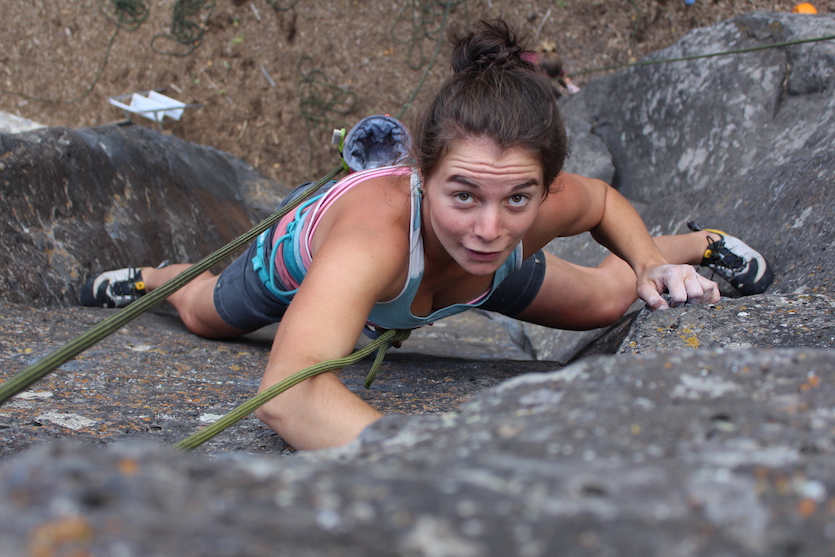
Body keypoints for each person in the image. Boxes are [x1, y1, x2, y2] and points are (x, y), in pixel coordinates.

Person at [81, 20, 773, 451]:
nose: (489, 226)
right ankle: (156, 276)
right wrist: (425, 462)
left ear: (540, 185)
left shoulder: (506, 215)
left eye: (518, 199)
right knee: (205, 314)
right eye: (463, 193)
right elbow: (289, 396)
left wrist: (648, 257)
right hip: (314, 260)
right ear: (422, 172)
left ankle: (695, 246)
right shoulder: (372, 241)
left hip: (468, 281)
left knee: (600, 300)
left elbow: (599, 202)